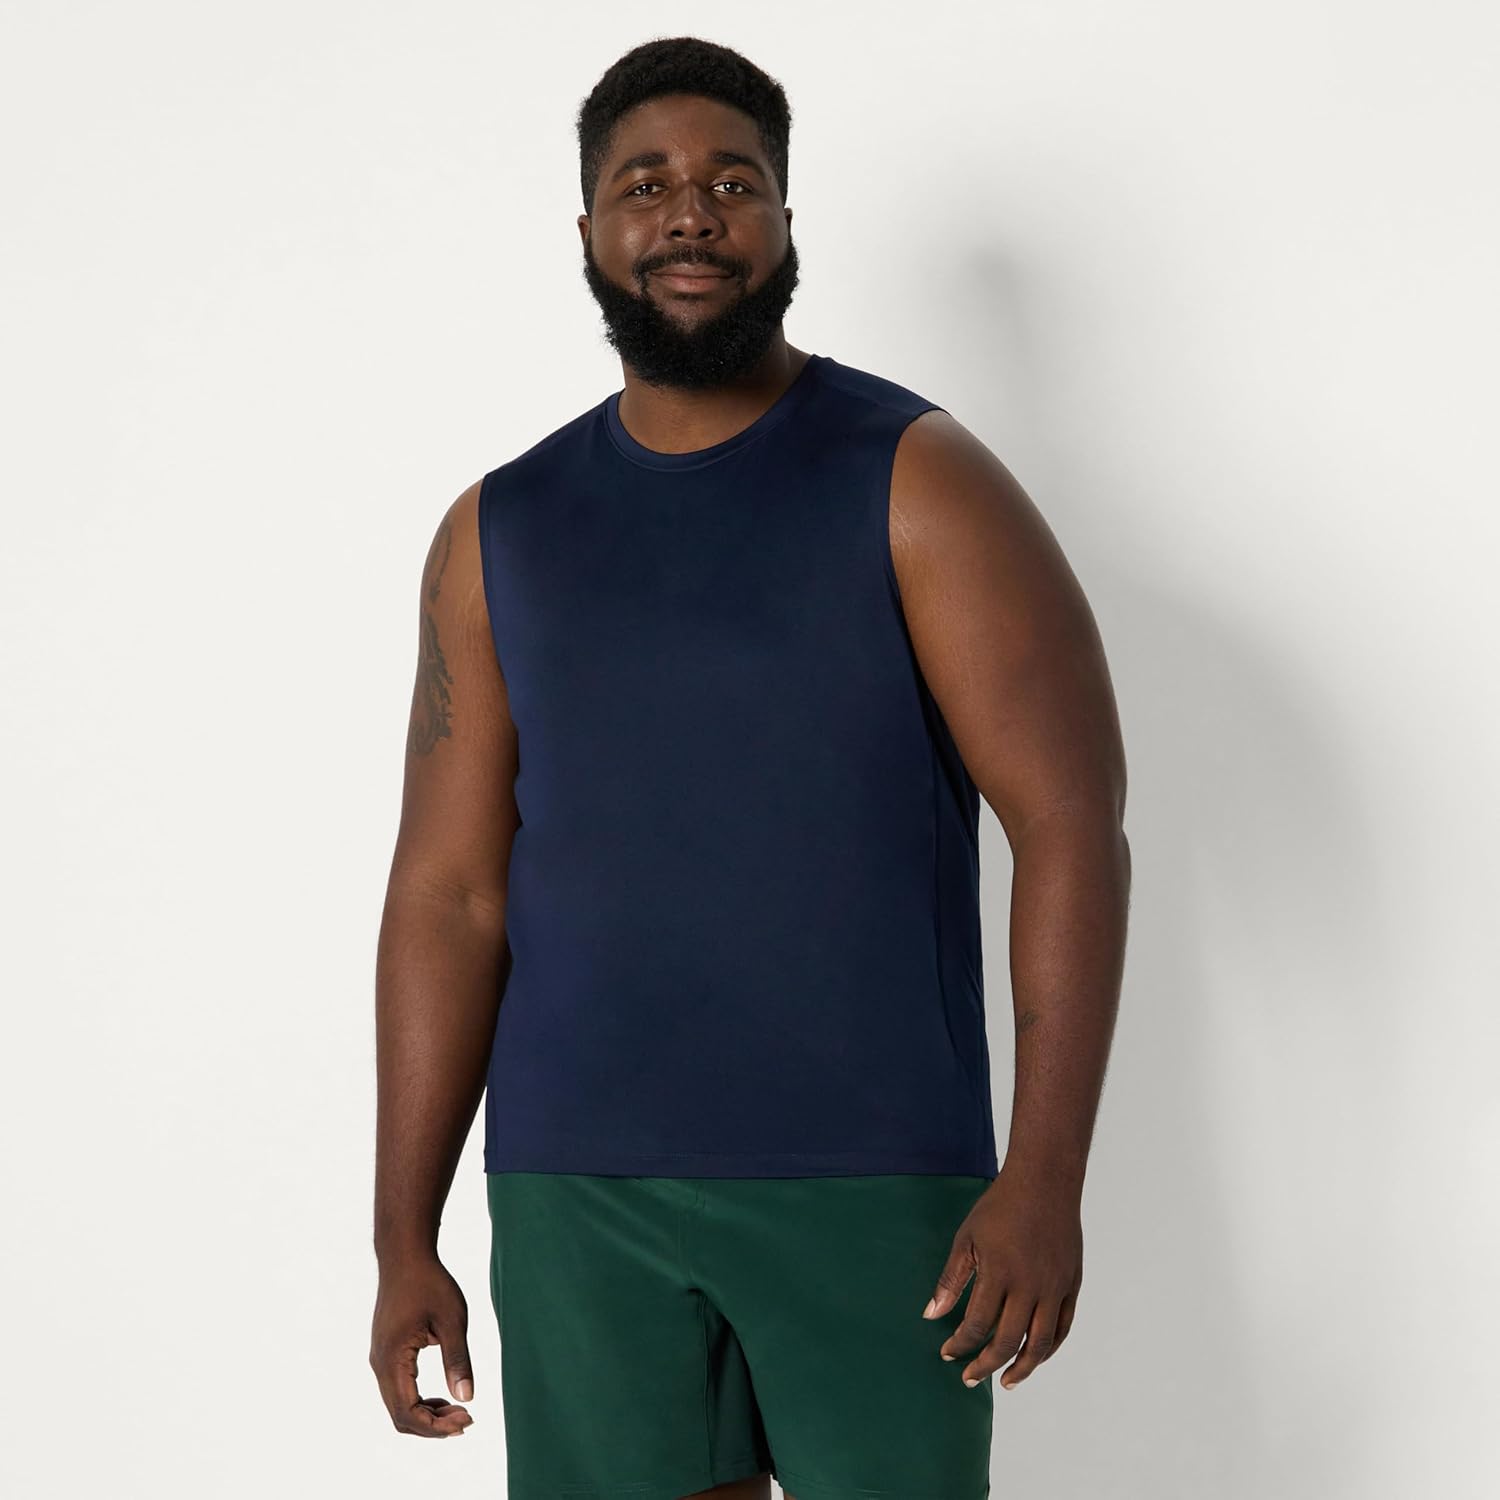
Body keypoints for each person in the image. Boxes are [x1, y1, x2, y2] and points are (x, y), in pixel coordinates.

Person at [369, 34, 1129, 1500]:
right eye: (645, 184)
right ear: (589, 228)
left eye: (733, 183)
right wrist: (406, 1235)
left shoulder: (917, 479)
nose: (691, 214)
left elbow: (1069, 825)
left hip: (870, 1178)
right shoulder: (497, 532)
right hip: (579, 1187)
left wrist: (1043, 1177)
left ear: (784, 221)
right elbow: (447, 895)